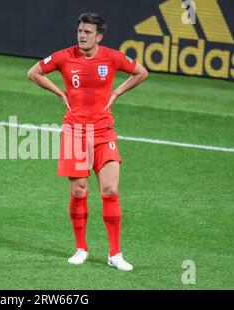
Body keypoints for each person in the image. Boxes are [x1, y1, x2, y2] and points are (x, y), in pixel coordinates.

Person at [27, 12, 148, 271]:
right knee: (79, 191)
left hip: (104, 132)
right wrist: (59, 92)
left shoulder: (113, 57)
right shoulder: (64, 56)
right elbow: (34, 72)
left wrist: (116, 92)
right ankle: (81, 248)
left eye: (87, 32)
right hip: (74, 133)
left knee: (110, 191)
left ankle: (115, 254)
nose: (82, 35)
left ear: (99, 36)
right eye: (80, 31)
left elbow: (141, 72)